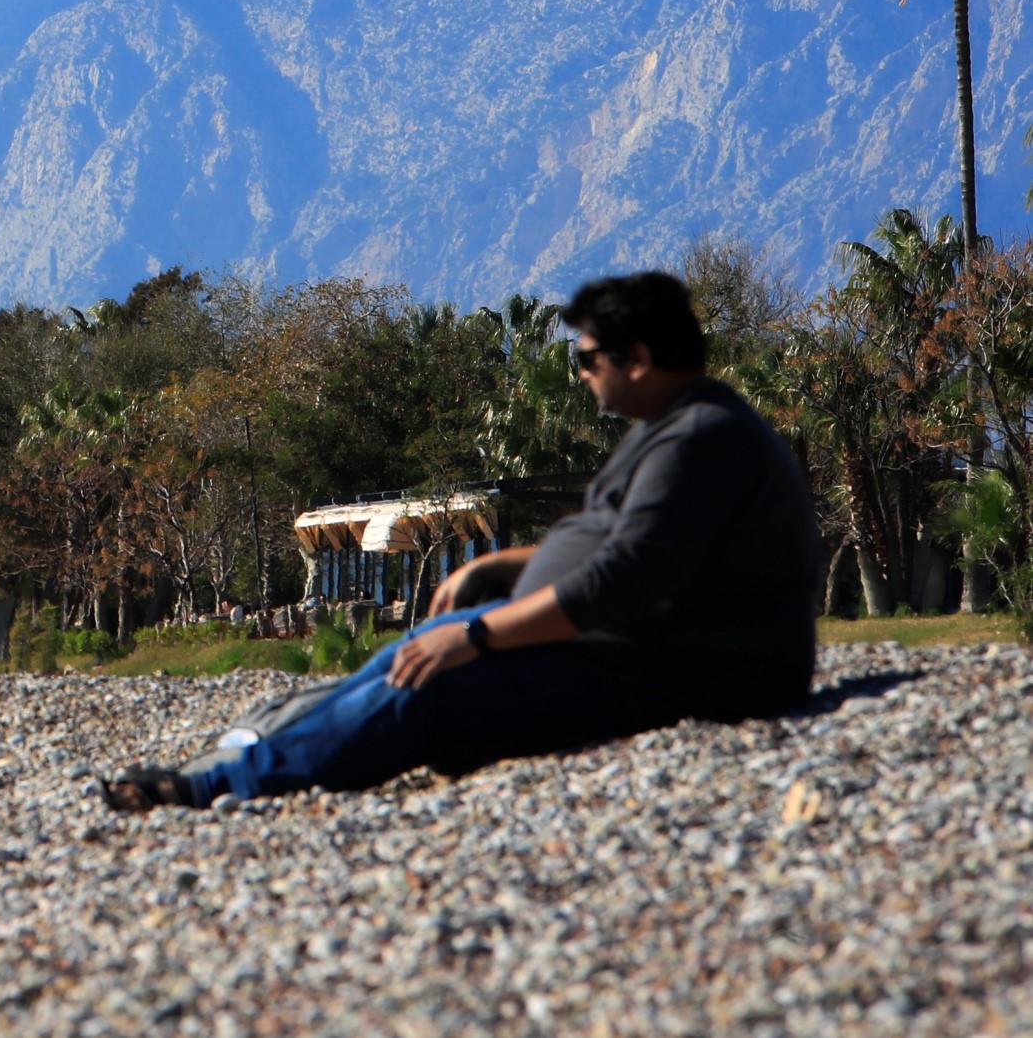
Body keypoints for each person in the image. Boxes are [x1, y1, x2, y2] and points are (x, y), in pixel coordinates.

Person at [104, 270, 820, 810]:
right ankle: (244, 749)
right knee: (411, 649)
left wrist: (478, 638)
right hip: (621, 648)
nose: (579, 373)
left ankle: (215, 785)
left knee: (431, 677)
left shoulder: (700, 440)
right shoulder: (668, 429)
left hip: (668, 670)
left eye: (586, 358)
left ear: (635, 357)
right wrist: (502, 570)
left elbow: (621, 581)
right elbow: (612, 543)